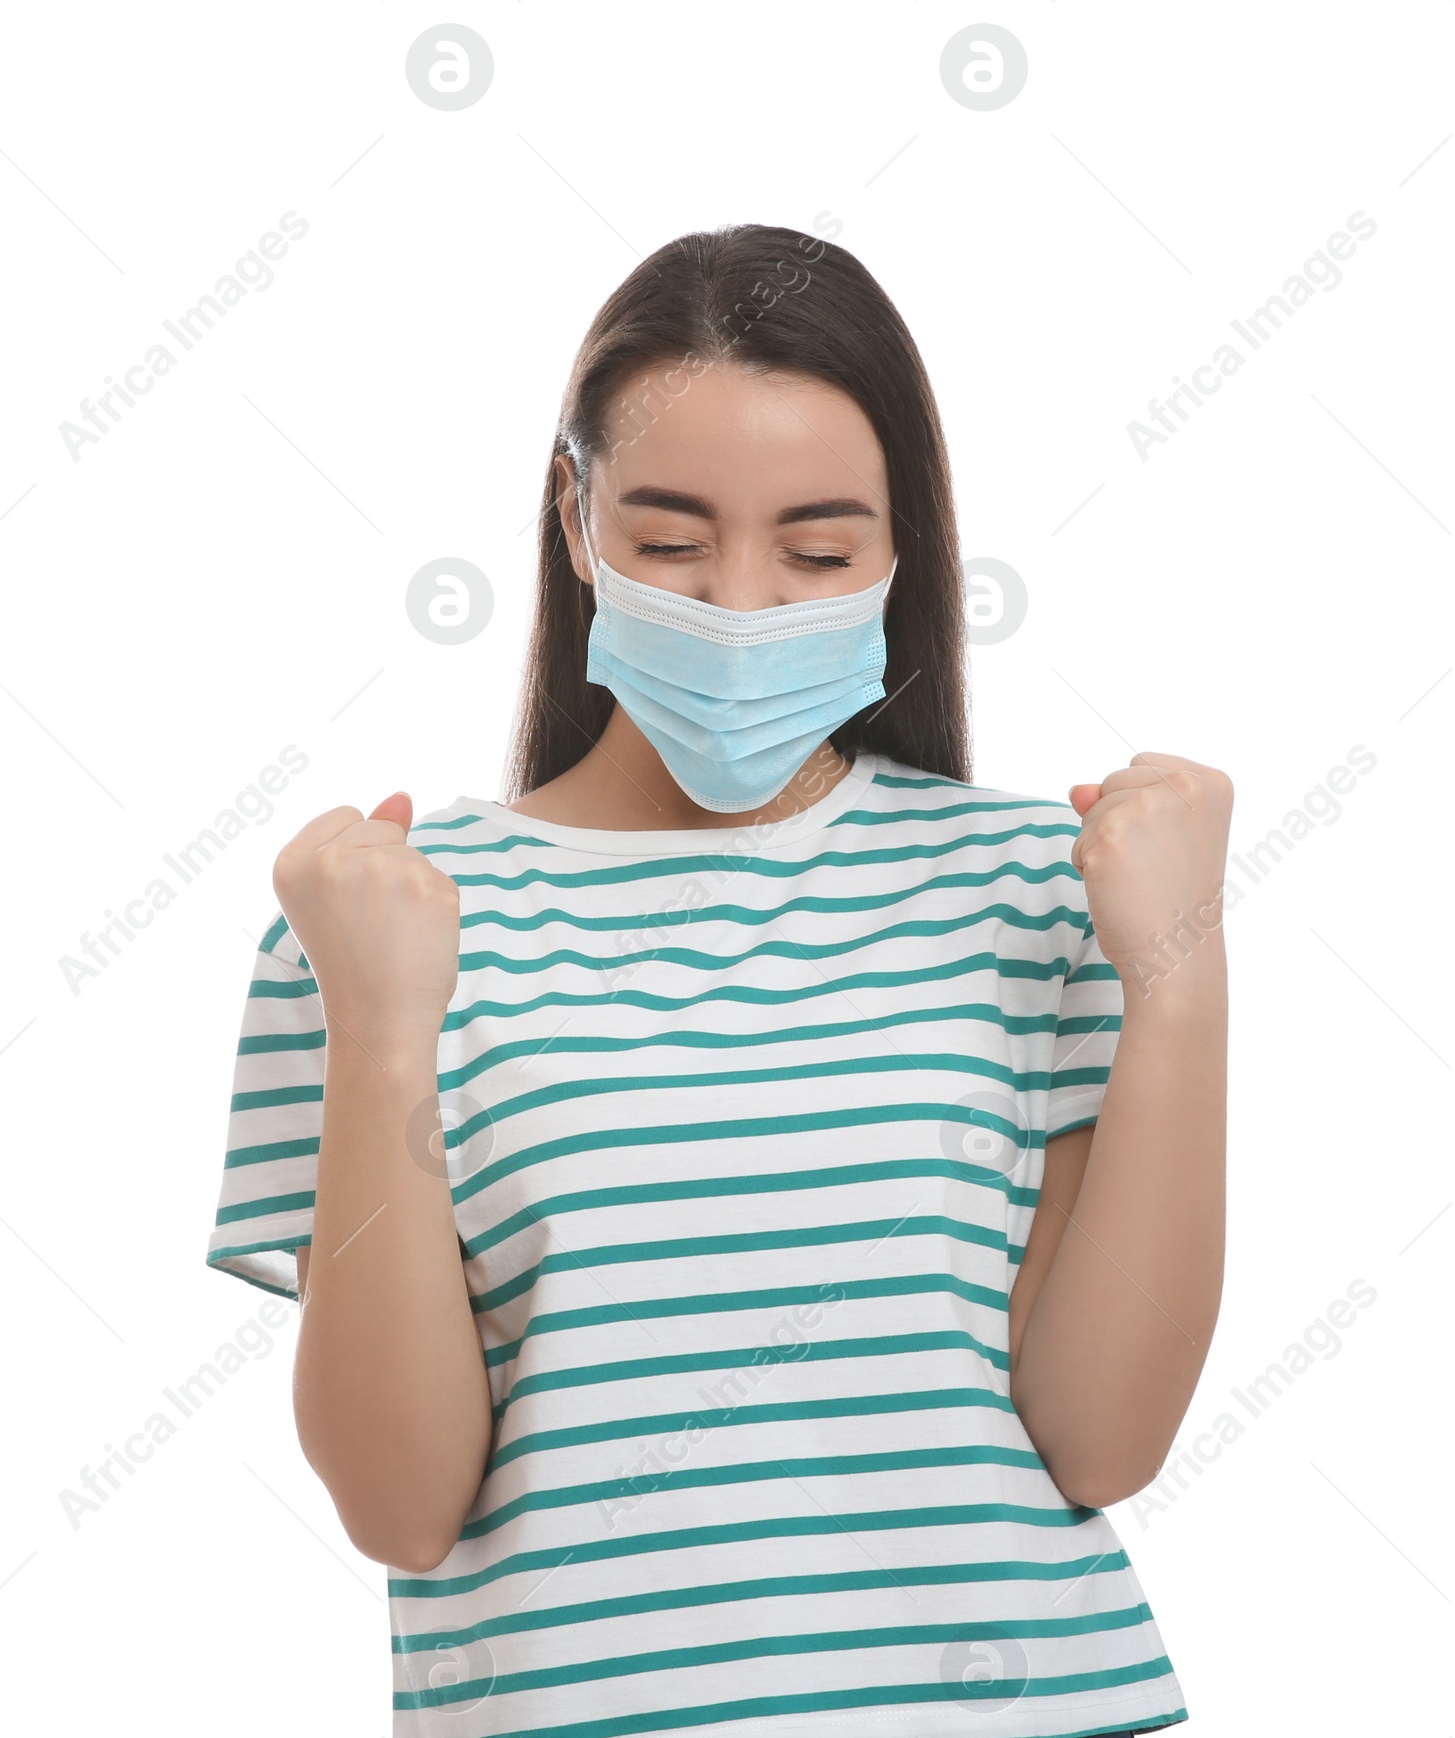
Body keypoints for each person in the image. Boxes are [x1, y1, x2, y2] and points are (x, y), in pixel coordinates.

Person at [206, 222, 1230, 1738]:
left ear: (901, 557)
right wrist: (381, 1035)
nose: (743, 605)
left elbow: (1098, 1441)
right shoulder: (380, 918)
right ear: (576, 519)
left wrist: (1182, 980)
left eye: (816, 550)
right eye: (672, 540)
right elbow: (401, 1506)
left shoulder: (1037, 889)